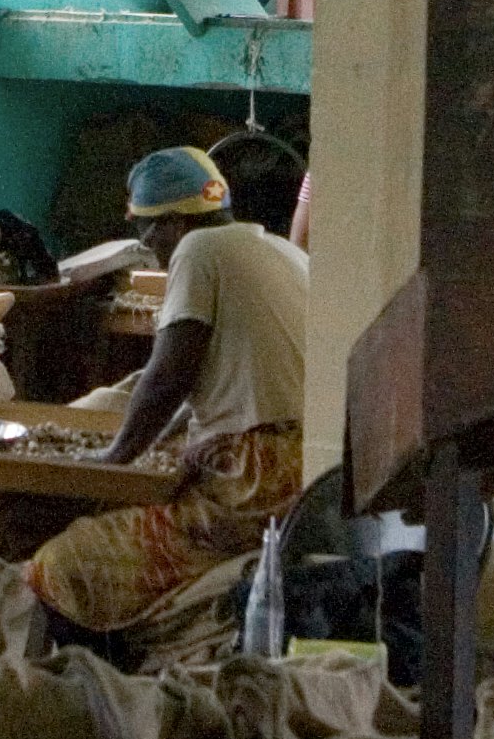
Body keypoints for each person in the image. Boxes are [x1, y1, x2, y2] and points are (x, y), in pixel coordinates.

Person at [23, 145, 310, 650]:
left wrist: (115, 458)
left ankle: (90, 679)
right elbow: (203, 380)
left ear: (173, 222)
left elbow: (167, 376)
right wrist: (162, 436)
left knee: (62, 563)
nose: (147, 245)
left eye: (147, 231)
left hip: (251, 484)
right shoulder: (285, 251)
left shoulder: (198, 250)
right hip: (301, 472)